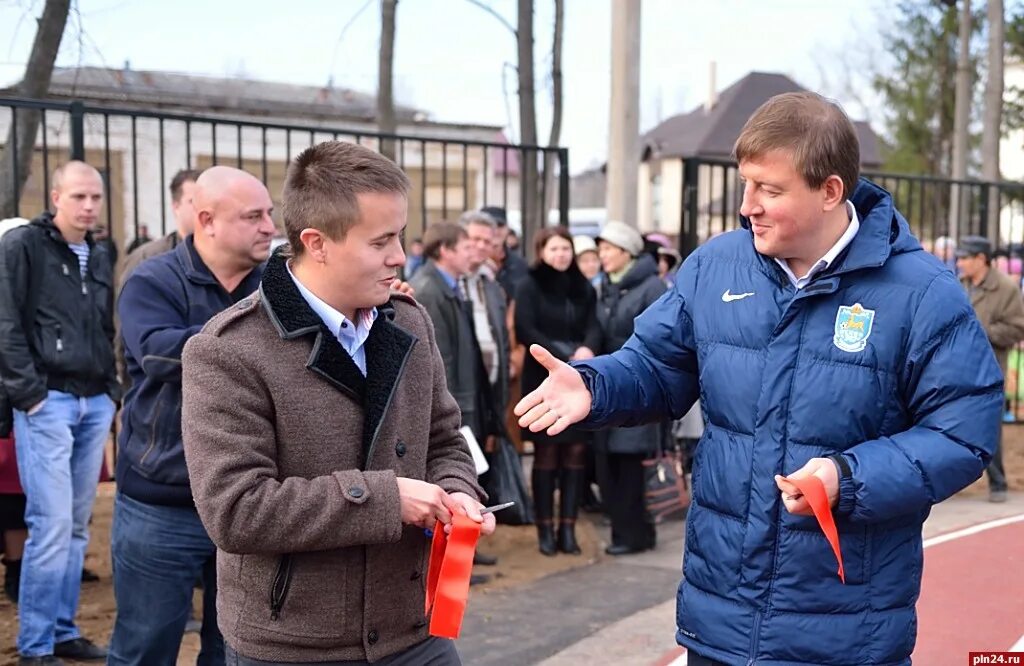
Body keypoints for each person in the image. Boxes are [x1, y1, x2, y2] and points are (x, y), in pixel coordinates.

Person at [515, 92, 1002, 666]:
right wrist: (595, 385)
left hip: (844, 629)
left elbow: (962, 433)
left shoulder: (921, 293)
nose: (748, 206)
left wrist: (851, 477)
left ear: (829, 192)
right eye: (745, 184)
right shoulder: (716, 265)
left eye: (770, 190)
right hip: (720, 617)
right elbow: (657, 366)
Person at [181, 140, 492, 665]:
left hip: (416, 630)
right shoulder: (227, 351)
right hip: (295, 644)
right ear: (316, 243)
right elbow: (235, 511)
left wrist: (457, 492)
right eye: (381, 241)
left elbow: (445, 437)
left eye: (401, 235)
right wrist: (387, 500)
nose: (400, 256)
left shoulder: (410, 321)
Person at [107, 167, 275, 665]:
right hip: (162, 501)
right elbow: (158, 356)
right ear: (207, 220)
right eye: (253, 216)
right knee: (145, 646)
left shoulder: (281, 286)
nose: (269, 226)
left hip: (249, 500)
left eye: (269, 213)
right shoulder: (151, 280)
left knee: (234, 649)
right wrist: (261, 338)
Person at [0, 161, 120, 665]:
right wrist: (29, 395)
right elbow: (5, 322)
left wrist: (110, 390)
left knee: (73, 526)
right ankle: (35, 645)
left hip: (92, 400)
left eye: (95, 197)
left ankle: (64, 632)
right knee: (49, 524)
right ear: (55, 197)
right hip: (47, 401)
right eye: (78, 197)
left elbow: (104, 324)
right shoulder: (23, 245)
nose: (88, 206)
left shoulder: (99, 251)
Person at [515, 226, 601, 556]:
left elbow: (594, 324)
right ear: (541, 251)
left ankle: (568, 527)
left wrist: (587, 348)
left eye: (565, 249)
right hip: (544, 379)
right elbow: (526, 328)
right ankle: (545, 530)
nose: (561, 255)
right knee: (548, 455)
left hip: (579, 380)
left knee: (576, 454)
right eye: (554, 249)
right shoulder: (529, 285)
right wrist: (560, 356)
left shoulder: (583, 287)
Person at [593, 221, 667, 555]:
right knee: (613, 466)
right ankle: (630, 532)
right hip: (611, 384)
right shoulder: (610, 285)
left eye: (608, 249)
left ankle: (633, 535)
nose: (602, 256)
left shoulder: (651, 287)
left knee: (629, 467)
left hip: (637, 384)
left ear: (626, 252)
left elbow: (656, 337)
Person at [955, 235, 1024, 503]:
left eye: (965, 258)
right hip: (957, 366)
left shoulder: (1006, 288)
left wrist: (982, 330)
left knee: (989, 427)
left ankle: (998, 483)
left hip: (989, 368)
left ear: (981, 259)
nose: (960, 263)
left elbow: (1018, 327)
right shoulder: (959, 285)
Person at [119, 169, 202, 286]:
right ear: (176, 206)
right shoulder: (145, 258)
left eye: (206, 201)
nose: (202, 208)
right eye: (193, 201)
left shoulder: (226, 256)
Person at [482, 206, 528, 299]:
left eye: (500, 225)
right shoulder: (470, 263)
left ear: (507, 229)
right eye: (490, 226)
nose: (495, 231)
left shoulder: (519, 264)